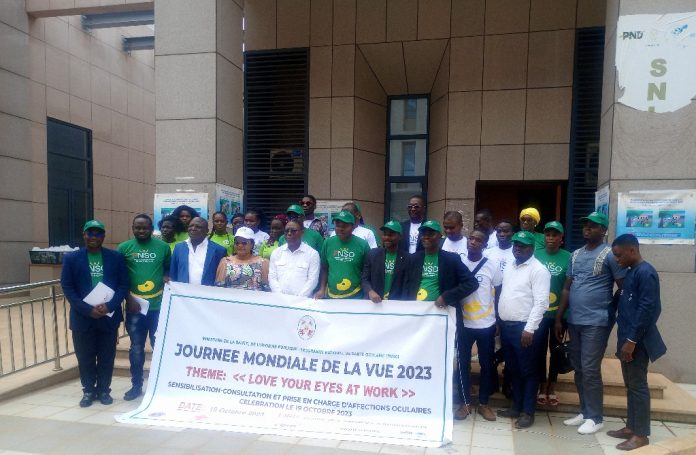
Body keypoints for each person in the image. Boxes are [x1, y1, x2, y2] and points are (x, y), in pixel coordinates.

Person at [555, 211, 626, 435]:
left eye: (593, 225)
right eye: (585, 224)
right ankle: (585, 412)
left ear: (603, 230)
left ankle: (596, 418)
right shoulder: (575, 255)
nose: (587, 227)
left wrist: (609, 309)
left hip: (596, 321)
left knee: (590, 368)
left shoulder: (610, 255)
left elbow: (623, 287)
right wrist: (559, 317)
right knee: (578, 367)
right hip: (574, 320)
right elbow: (567, 288)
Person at [60, 220, 129, 407]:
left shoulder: (116, 257)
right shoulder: (71, 258)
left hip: (108, 317)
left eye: (98, 233)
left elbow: (123, 285)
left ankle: (104, 390)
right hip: (83, 318)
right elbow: (67, 287)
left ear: (103, 236)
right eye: (90, 233)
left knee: (107, 356)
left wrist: (110, 306)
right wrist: (87, 309)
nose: (94, 237)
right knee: (85, 357)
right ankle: (89, 391)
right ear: (84, 235)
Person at [608, 234, 666, 451]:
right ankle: (631, 427)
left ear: (632, 250)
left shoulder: (646, 272)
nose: (616, 260)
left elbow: (649, 309)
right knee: (630, 385)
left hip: (637, 342)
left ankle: (641, 435)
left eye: (618, 255)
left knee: (638, 386)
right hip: (626, 338)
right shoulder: (631, 271)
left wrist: (631, 340)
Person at [496, 231, 551, 429]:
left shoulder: (539, 270)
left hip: (525, 328)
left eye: (523, 245)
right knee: (514, 369)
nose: (518, 248)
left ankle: (528, 412)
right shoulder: (510, 266)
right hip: (507, 326)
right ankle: (516, 407)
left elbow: (541, 303)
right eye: (516, 244)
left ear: (532, 248)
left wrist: (529, 329)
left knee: (528, 371)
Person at [117, 214, 171, 401]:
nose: (141, 231)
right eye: (138, 227)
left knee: (159, 347)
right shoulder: (124, 248)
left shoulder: (163, 247)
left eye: (145, 227)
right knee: (136, 348)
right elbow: (120, 277)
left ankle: (161, 385)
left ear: (151, 228)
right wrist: (128, 298)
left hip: (158, 307)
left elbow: (168, 268)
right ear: (133, 228)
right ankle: (136, 385)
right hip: (135, 308)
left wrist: (166, 276)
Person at [456, 228, 502, 422]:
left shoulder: (492, 265)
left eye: (478, 240)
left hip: (486, 323)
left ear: (484, 245)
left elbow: (498, 292)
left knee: (486, 364)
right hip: (463, 323)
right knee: (462, 363)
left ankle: (484, 403)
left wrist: (498, 318)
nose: (473, 242)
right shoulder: (459, 262)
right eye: (471, 239)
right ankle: (465, 403)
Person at [534, 221, 571, 407]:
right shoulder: (535, 255)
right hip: (539, 314)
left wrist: (559, 317)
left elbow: (568, 288)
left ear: (561, 238)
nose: (550, 238)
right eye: (548, 234)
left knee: (556, 351)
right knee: (539, 351)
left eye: (555, 235)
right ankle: (542, 386)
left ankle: (552, 386)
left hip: (559, 315)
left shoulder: (568, 257)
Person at [402, 220, 478, 305]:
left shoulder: (451, 259)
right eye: (424, 234)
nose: (426, 237)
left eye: (431, 234)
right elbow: (406, 285)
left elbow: (472, 283)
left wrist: (446, 297)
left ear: (440, 237)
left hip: (441, 310)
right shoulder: (413, 258)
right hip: (416, 309)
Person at [314, 210, 370, 299]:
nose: (340, 229)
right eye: (337, 226)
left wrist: (367, 293)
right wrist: (322, 289)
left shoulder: (363, 244)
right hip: (331, 295)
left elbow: (367, 271)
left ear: (353, 227)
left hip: (356, 295)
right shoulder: (328, 242)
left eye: (344, 226)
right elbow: (324, 268)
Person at [268, 220, 320, 297]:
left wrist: (299, 298)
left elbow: (313, 280)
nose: (289, 233)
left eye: (293, 231)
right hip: (279, 299)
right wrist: (280, 296)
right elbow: (272, 277)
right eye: (286, 231)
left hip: (302, 300)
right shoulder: (276, 253)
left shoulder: (312, 254)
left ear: (302, 233)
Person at [361, 221, 410, 302]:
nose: (387, 237)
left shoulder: (407, 258)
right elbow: (364, 279)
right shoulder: (373, 254)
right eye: (385, 234)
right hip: (375, 303)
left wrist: (403, 304)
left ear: (400, 237)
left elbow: (406, 285)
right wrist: (370, 291)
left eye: (391, 234)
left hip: (396, 303)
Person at [170, 217, 226, 286]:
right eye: (191, 226)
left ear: (206, 231)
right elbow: (173, 273)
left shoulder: (219, 250)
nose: (193, 228)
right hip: (182, 291)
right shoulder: (179, 248)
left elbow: (221, 276)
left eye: (198, 227)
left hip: (208, 292)